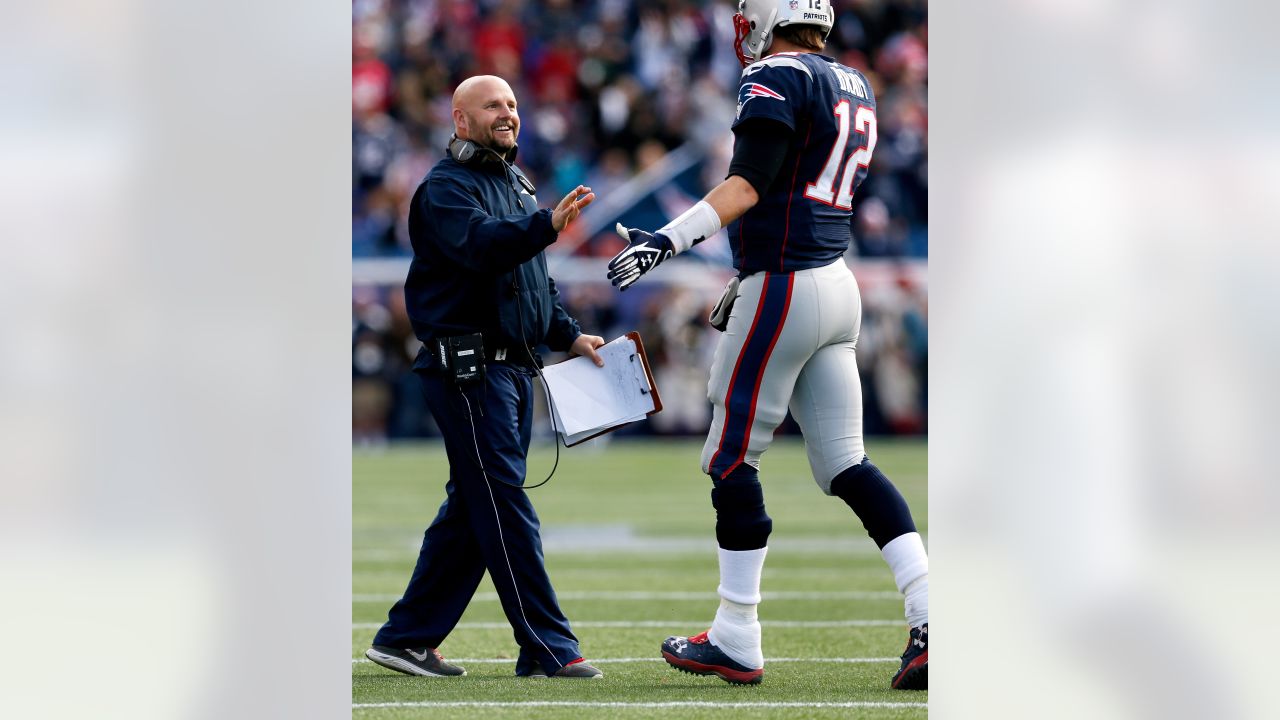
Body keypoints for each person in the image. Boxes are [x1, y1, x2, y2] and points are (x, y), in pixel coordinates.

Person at [606, 0, 928, 690]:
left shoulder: (777, 75)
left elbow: (749, 184)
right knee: (846, 463)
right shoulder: (853, 81)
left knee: (728, 457)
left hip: (785, 284)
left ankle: (736, 633)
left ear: (768, 15)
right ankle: (931, 614)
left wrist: (670, 238)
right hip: (836, 283)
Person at [366, 75, 607, 680]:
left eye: (513, 104)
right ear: (460, 120)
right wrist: (544, 226)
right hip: (469, 371)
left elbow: (532, 282)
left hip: (512, 369)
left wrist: (568, 334)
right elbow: (481, 246)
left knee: (476, 507)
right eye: (493, 105)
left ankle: (405, 637)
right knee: (502, 500)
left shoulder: (514, 184)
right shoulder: (444, 188)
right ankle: (548, 646)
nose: (508, 113)